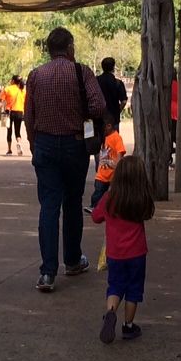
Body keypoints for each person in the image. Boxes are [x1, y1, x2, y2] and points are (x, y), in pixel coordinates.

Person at [25, 27, 107, 293]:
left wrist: (33, 143)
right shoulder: (81, 72)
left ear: (49, 49)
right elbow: (98, 106)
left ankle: (47, 273)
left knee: (49, 205)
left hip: (45, 144)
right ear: (70, 48)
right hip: (74, 145)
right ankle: (72, 260)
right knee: (72, 202)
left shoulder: (36, 75)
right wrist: (78, 107)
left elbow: (29, 114)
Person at [91, 155, 153, 344]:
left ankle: (110, 312)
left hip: (115, 253)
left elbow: (95, 216)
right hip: (137, 253)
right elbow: (149, 214)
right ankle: (128, 326)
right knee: (134, 290)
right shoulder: (141, 198)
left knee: (116, 286)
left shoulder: (110, 198)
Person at [87, 115, 125, 212]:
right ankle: (94, 206)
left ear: (108, 126)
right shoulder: (103, 137)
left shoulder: (116, 137)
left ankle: (111, 208)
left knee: (113, 193)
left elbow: (120, 152)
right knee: (98, 191)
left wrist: (118, 166)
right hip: (102, 172)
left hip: (112, 173)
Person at [96, 58, 128, 128]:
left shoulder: (95, 81)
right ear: (113, 68)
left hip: (99, 118)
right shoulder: (118, 83)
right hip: (113, 119)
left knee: (100, 138)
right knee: (113, 138)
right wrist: (117, 111)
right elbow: (124, 101)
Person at [1, 75, 26, 155]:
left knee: (9, 131)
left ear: (13, 81)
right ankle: (18, 142)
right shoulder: (23, 91)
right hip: (19, 112)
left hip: (9, 112)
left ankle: (9, 150)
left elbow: (1, 101)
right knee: (17, 131)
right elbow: (26, 103)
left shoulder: (8, 89)